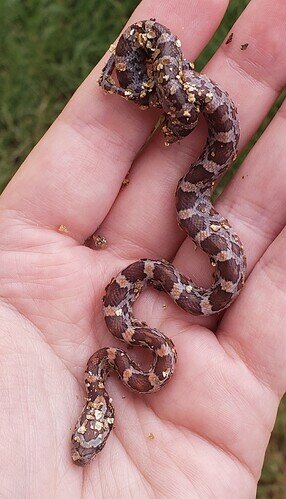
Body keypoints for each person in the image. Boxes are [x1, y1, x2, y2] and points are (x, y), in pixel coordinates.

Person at [0, 0, 285, 496]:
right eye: (86, 442)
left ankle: (171, 90)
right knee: (193, 216)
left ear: (94, 412)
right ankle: (170, 91)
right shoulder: (128, 354)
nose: (78, 449)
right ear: (101, 419)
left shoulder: (113, 349)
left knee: (188, 199)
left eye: (80, 439)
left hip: (183, 129)